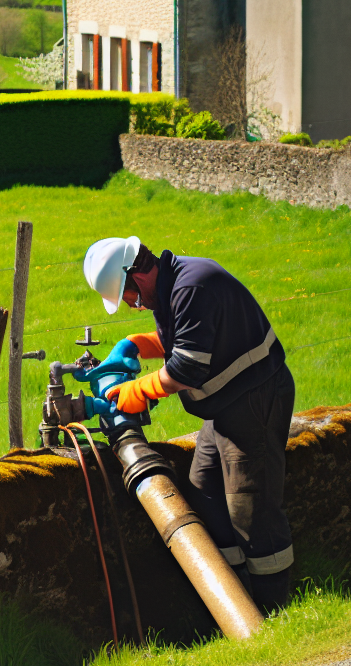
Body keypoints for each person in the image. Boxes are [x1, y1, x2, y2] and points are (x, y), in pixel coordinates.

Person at [83, 236, 295, 612]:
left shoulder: (193, 286)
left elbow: (187, 368)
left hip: (254, 399)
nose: (133, 304)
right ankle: (232, 601)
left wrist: (140, 390)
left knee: (251, 509)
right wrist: (134, 345)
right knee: (205, 495)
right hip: (227, 407)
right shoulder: (172, 288)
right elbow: (179, 339)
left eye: (129, 296)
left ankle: (271, 613)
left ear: (136, 275)